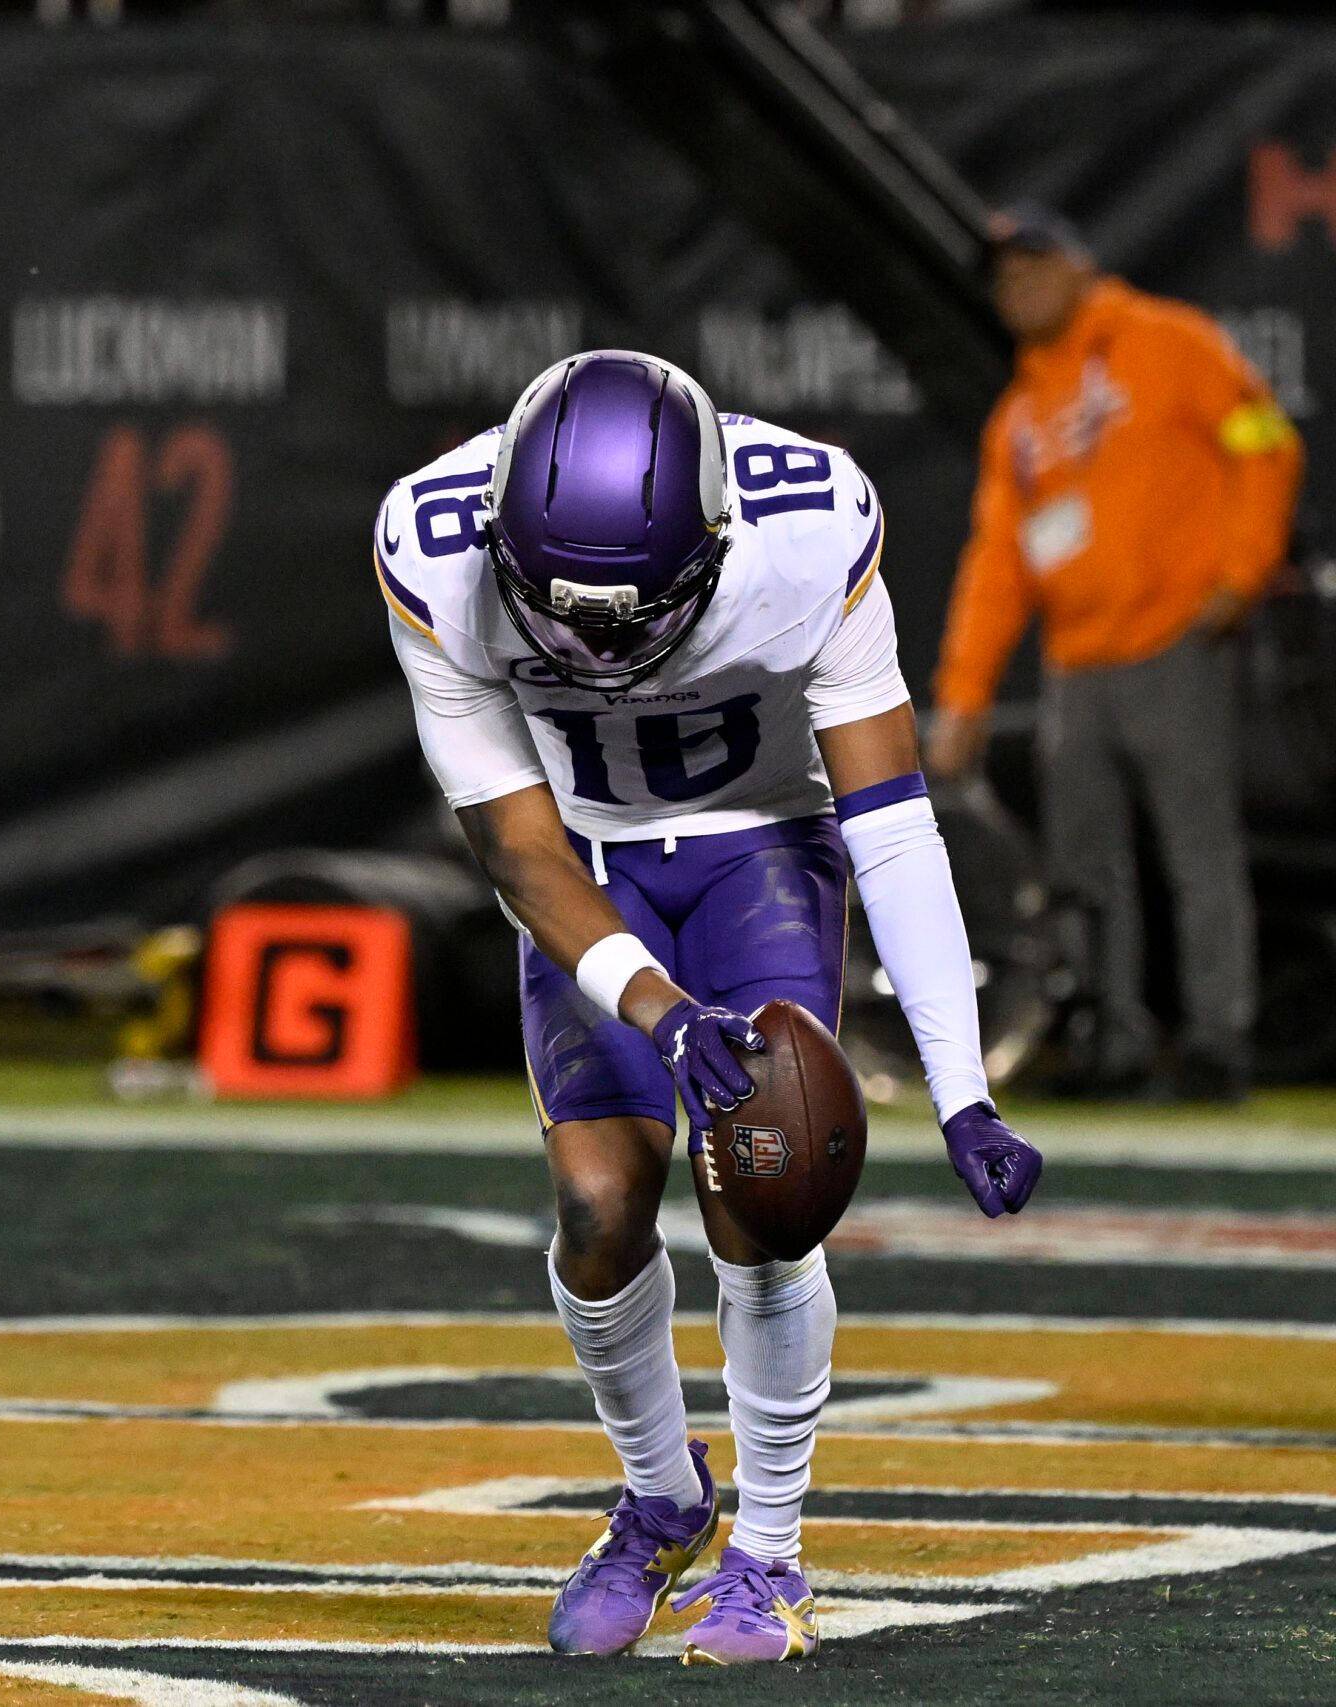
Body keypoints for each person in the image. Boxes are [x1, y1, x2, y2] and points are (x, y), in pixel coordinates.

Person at [375, 351, 1042, 1664]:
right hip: (589, 860)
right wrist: (665, 1008)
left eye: (631, 618)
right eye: (561, 616)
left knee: (762, 1193)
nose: (594, 653)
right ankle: (663, 1497)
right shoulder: (429, 542)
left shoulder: (808, 526)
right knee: (598, 1205)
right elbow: (521, 854)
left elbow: (891, 819)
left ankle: (774, 1553)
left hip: (759, 846)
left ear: (718, 540)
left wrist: (960, 1082)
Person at [928, 206, 1303, 1103]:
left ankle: (1218, 1042)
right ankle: (1112, 1037)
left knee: (1195, 850)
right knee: (1083, 869)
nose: (1016, 284)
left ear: (1079, 264)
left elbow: (1265, 442)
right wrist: (965, 693)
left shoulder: (1168, 342)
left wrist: (1242, 573)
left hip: (1176, 638)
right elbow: (996, 565)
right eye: (1003, 275)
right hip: (1077, 664)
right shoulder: (1019, 416)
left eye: (1033, 264)